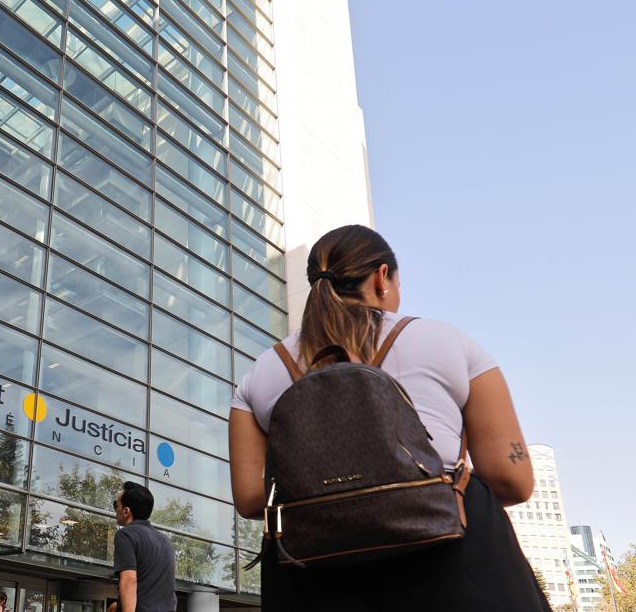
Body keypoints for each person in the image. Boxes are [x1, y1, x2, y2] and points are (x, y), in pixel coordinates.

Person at [229, 224, 548, 611]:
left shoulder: (261, 372)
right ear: (382, 278)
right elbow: (511, 480)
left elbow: (250, 499)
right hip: (451, 563)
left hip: (317, 574)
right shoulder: (449, 342)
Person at [110, 482, 176, 612]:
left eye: (115, 505)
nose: (115, 509)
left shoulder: (126, 535)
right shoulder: (166, 542)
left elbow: (129, 581)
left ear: (126, 511)